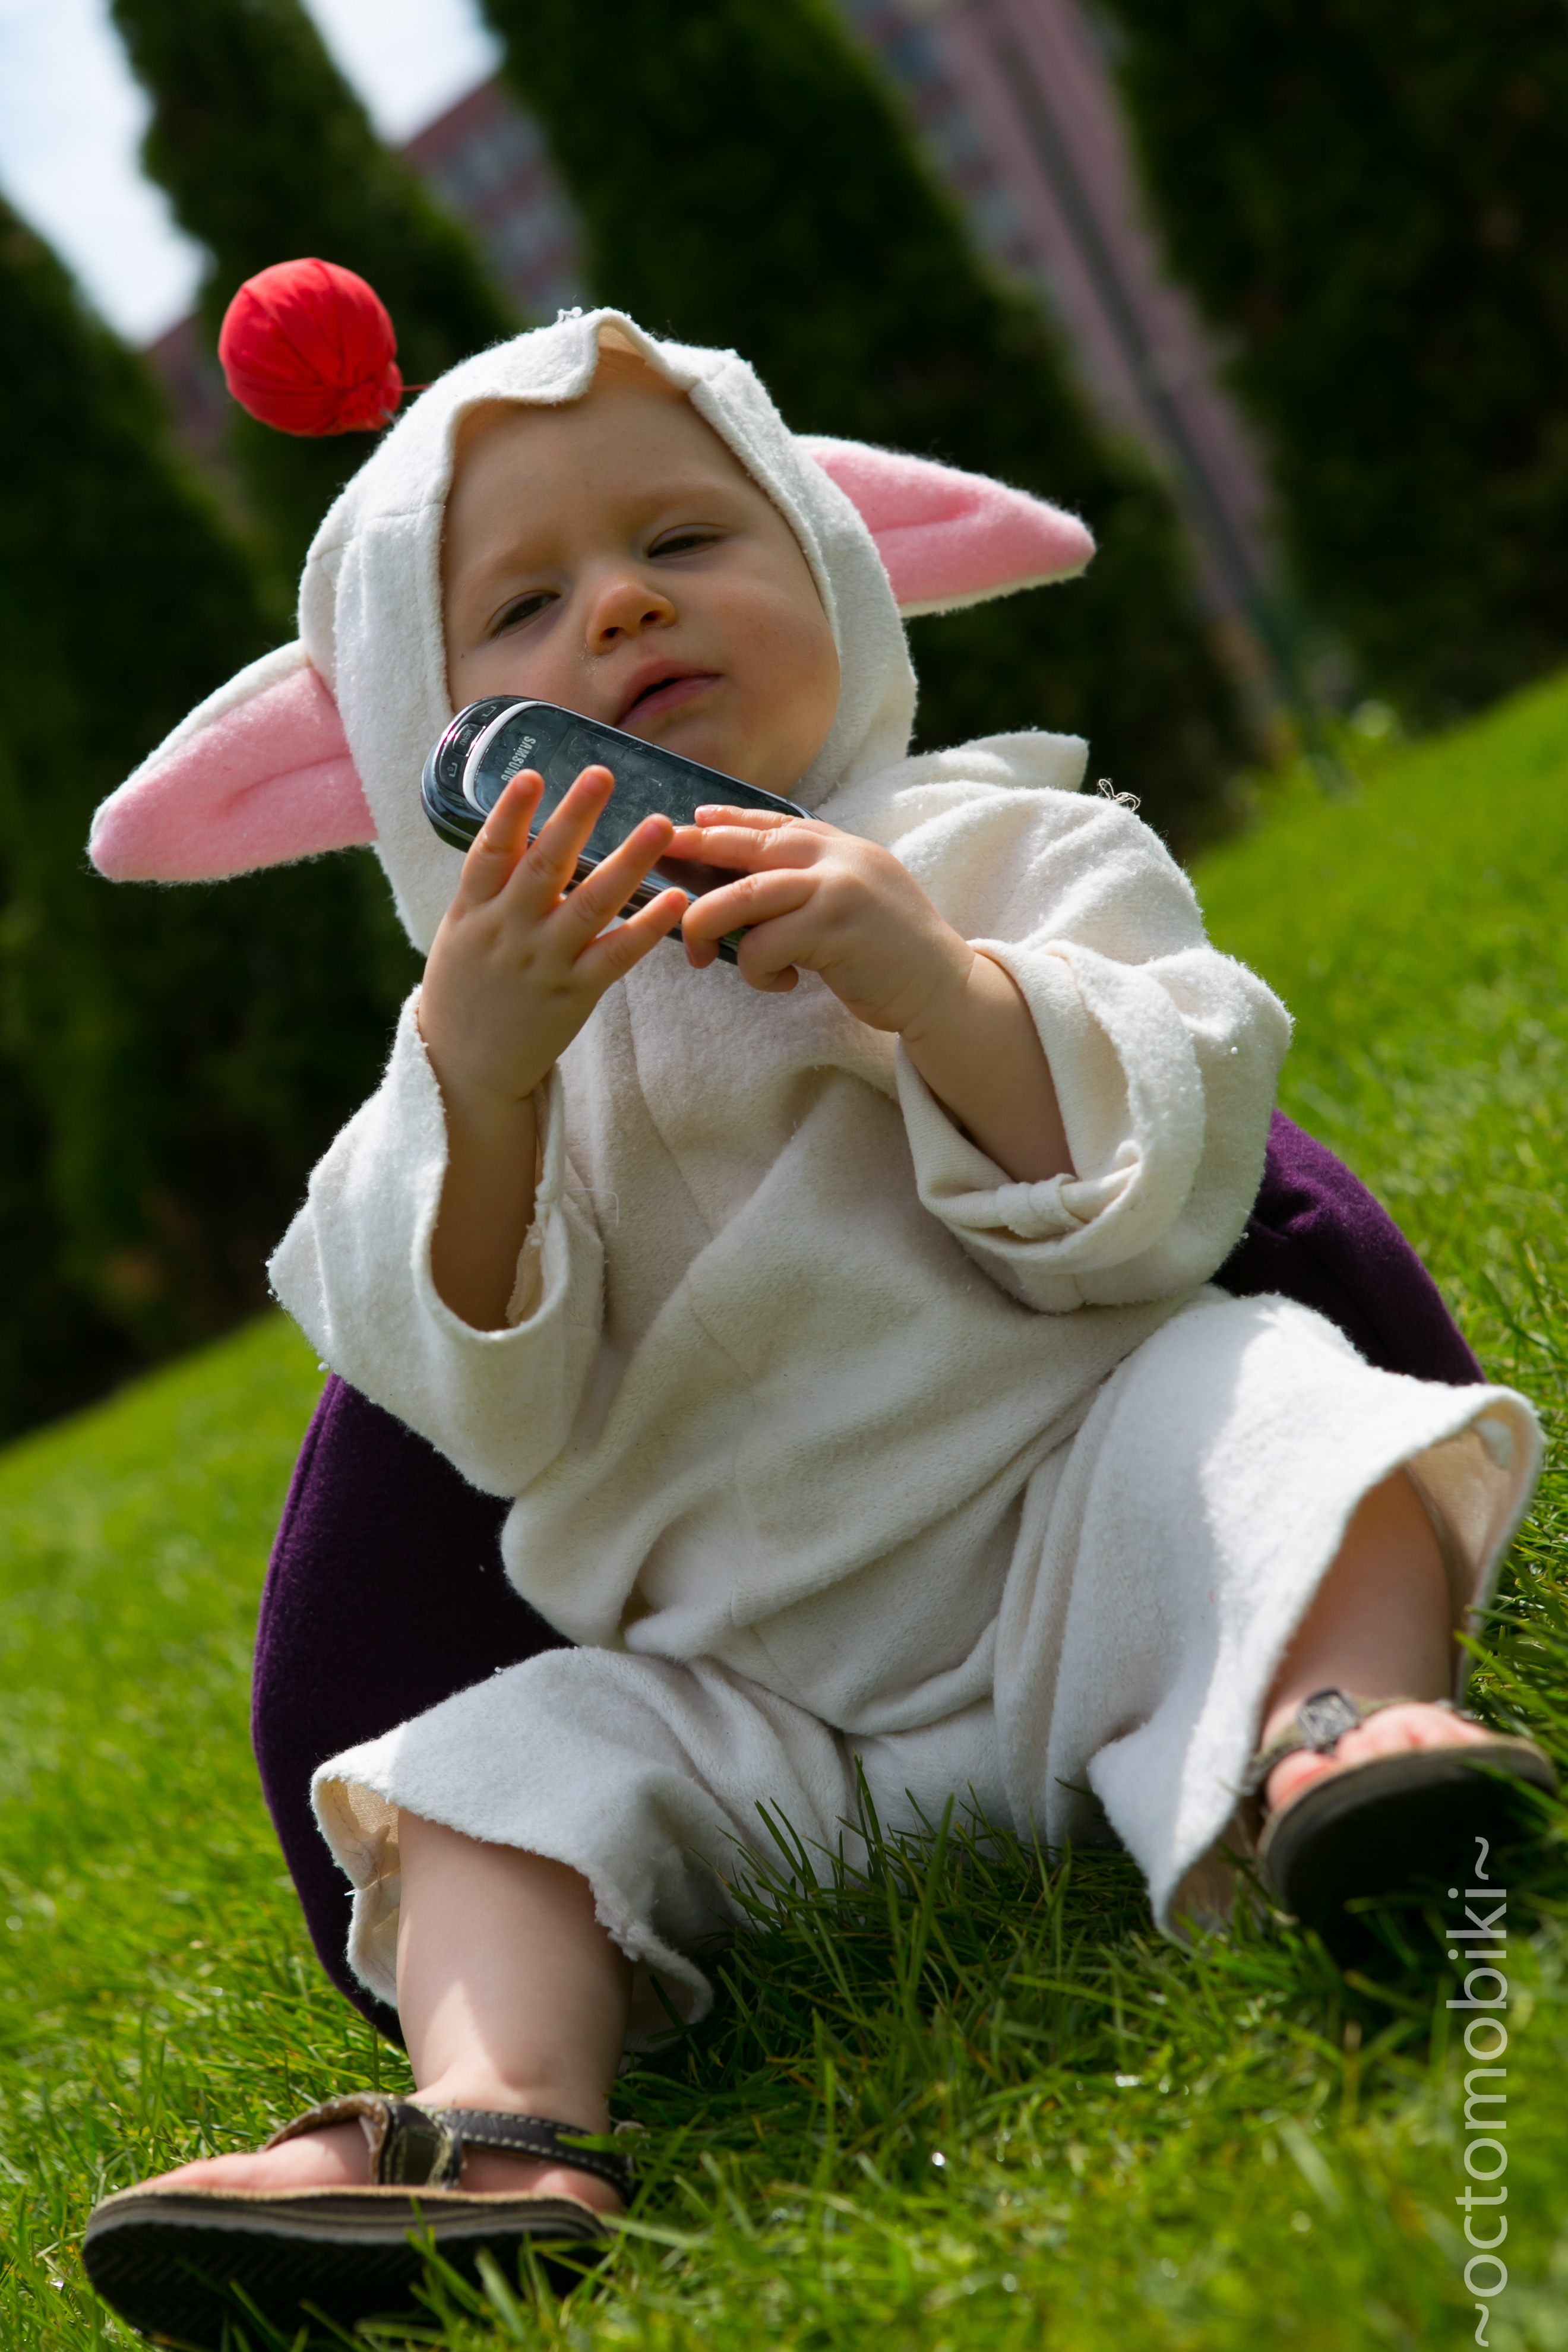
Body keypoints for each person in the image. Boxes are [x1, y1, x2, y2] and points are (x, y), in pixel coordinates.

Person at [80, 310, 1554, 2342]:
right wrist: (489, 1090)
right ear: (425, 736)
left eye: (687, 539)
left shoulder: (1006, 848)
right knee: (480, 1766)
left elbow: (1171, 1173)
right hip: (739, 1715)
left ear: (842, 568)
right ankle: (497, 2118)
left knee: (1271, 1399)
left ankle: (1333, 1740)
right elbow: (462, 1395)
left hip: (1087, 1544)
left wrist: (937, 982)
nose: (621, 605)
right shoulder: (463, 1059)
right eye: (522, 605)